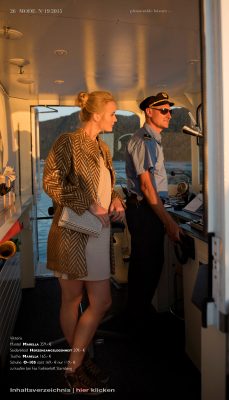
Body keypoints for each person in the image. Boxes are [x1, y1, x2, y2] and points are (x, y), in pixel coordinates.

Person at [43, 90, 125, 392]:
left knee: (101, 301)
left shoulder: (103, 148)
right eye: (113, 113)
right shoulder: (68, 142)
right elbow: (50, 182)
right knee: (73, 300)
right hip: (73, 235)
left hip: (99, 234)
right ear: (96, 115)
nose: (116, 119)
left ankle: (74, 364)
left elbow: (107, 187)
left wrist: (116, 200)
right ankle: (78, 362)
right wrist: (90, 204)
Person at [124, 92, 182, 330]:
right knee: (146, 268)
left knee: (148, 266)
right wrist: (169, 222)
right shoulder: (145, 139)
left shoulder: (153, 139)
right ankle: (136, 324)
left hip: (148, 211)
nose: (169, 115)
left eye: (170, 110)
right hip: (145, 212)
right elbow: (147, 187)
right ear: (149, 111)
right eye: (164, 110)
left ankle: (138, 318)